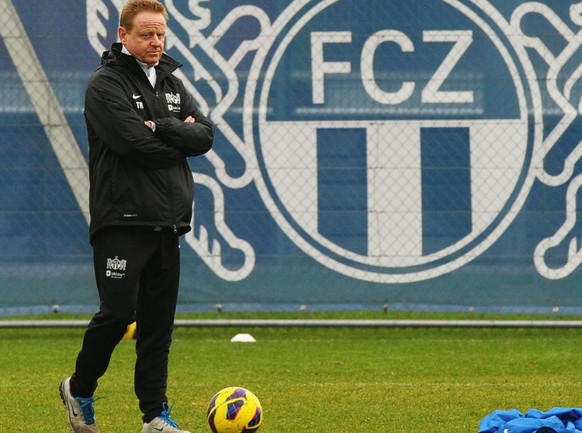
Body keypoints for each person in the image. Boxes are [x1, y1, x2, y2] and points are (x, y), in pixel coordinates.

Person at [59, 1, 214, 432]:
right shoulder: (104, 85)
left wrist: (160, 126)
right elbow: (133, 146)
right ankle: (80, 387)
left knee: (157, 327)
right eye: (146, 34)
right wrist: (175, 134)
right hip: (122, 219)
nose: (155, 42)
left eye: (161, 33)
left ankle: (154, 417)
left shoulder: (170, 81)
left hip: (167, 219)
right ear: (123, 35)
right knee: (117, 314)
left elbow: (205, 135)